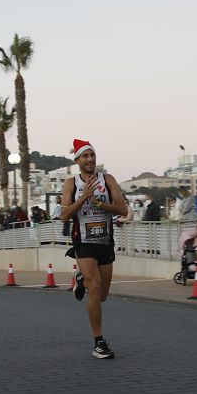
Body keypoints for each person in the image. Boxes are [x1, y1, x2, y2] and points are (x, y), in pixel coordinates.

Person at [60, 139, 129, 359]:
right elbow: (64, 215)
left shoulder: (107, 180)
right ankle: (99, 343)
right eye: (85, 156)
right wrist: (83, 199)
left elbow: (122, 208)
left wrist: (99, 204)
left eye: (92, 155)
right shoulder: (72, 183)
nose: (90, 159)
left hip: (105, 240)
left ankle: (80, 277)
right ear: (77, 160)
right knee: (95, 287)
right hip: (84, 240)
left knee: (102, 295)